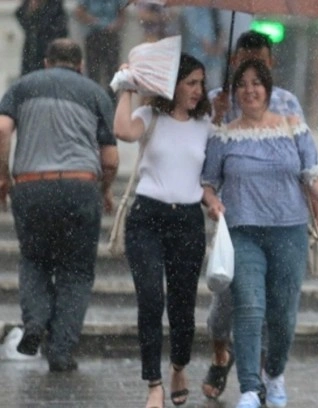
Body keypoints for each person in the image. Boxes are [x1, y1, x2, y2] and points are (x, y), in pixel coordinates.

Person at [201, 59, 318, 408]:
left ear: (269, 90)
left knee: (283, 315)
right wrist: (213, 203)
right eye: (242, 84)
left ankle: (274, 374)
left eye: (257, 83)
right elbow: (208, 183)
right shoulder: (223, 136)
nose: (249, 90)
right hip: (243, 232)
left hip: (289, 232)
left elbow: (313, 175)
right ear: (234, 92)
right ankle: (248, 388)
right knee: (249, 307)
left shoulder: (293, 128)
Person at [0, 38, 119, 372]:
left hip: (31, 186)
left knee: (34, 261)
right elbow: (110, 159)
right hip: (79, 186)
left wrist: (3, 177)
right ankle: (62, 352)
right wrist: (105, 190)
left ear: (46, 63)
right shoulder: (96, 93)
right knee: (76, 271)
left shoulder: (23, 87)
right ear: (80, 65)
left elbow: (1, 130)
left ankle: (35, 321)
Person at [113, 53, 212, 408]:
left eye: (201, 83)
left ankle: (179, 366)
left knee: (183, 305)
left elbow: (210, 177)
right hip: (147, 219)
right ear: (173, 85)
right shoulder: (149, 116)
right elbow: (122, 131)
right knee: (151, 299)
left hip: (188, 221)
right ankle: (153, 383)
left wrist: (213, 202)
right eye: (191, 83)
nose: (198, 90)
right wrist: (126, 87)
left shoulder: (207, 126)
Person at [74, 0, 125, 91]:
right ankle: (93, 97)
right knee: (93, 71)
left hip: (111, 36)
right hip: (93, 35)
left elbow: (122, 13)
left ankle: (112, 99)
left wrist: (115, 25)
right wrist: (93, 21)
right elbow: (79, 11)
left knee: (112, 72)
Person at [14, 0, 68, 75]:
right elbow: (23, 21)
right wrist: (31, 11)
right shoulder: (28, 4)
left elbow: (57, 30)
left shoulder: (56, 7)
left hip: (49, 51)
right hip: (31, 51)